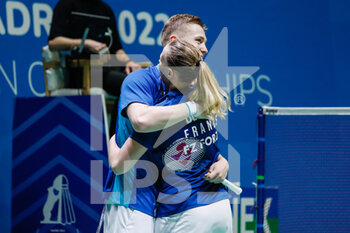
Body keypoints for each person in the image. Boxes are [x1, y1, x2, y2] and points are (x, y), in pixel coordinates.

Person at [103, 14, 230, 233]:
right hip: (132, 201)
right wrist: (195, 109)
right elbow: (142, 121)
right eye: (199, 41)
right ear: (173, 42)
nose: (205, 49)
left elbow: (200, 147)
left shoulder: (181, 99)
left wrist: (222, 162)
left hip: (162, 205)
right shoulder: (142, 81)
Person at [48, 0, 141, 97]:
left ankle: (117, 112)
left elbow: (117, 49)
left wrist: (129, 62)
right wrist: (85, 43)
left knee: (142, 81)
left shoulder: (106, 10)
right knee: (130, 84)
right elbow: (53, 42)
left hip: (108, 69)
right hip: (83, 71)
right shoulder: (66, 5)